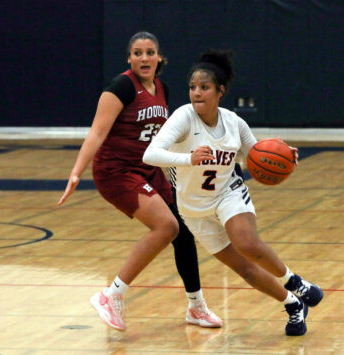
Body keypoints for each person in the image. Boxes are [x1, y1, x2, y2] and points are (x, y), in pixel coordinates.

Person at [143, 49, 323, 336]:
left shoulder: (234, 123)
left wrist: (283, 155)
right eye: (192, 87)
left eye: (204, 87)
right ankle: (293, 305)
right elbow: (150, 155)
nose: (197, 93)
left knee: (246, 242)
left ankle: (296, 282)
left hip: (228, 193)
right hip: (193, 209)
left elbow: (257, 154)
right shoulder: (183, 117)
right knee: (244, 268)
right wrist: (188, 158)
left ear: (220, 91)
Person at [57, 32, 221, 331]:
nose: (144, 58)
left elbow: (162, 138)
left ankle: (196, 307)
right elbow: (97, 132)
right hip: (116, 172)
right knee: (166, 226)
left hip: (148, 168)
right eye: (137, 53)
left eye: (149, 52)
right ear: (129, 58)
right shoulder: (120, 87)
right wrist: (76, 171)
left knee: (183, 232)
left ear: (159, 57)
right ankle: (111, 295)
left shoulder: (162, 88)